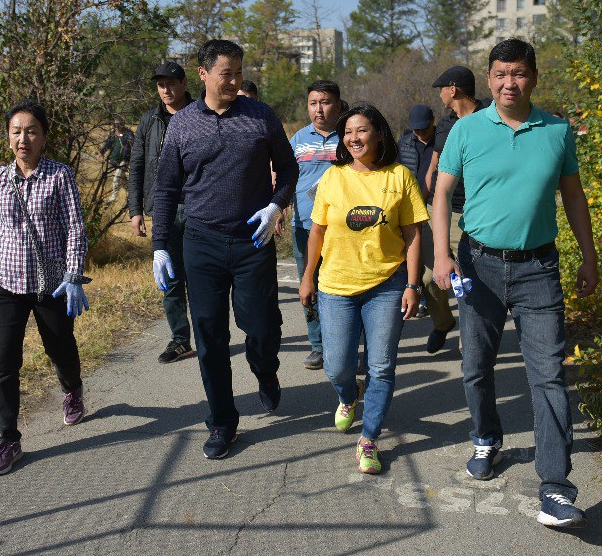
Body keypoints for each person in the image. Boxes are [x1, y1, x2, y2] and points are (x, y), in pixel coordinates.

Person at [431, 39, 598, 529]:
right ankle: (487, 439)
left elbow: (574, 197)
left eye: (519, 73)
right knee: (476, 367)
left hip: (539, 269)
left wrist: (589, 256)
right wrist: (441, 254)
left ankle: (556, 487)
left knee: (548, 375)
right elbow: (441, 193)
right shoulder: (465, 130)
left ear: (534, 78)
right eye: (501, 74)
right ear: (489, 79)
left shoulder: (557, 131)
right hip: (477, 266)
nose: (510, 83)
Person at [151, 39, 299, 460]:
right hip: (201, 243)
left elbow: (288, 167)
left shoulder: (260, 115)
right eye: (226, 74)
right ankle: (221, 421)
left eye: (238, 73)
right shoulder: (183, 125)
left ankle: (265, 370)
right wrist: (160, 245)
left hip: (252, 240)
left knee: (261, 326)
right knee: (210, 336)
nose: (234, 81)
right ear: (203, 74)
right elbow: (166, 188)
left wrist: (275, 205)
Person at [299, 103, 426, 475]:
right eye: (348, 132)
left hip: (387, 284)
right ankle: (348, 393)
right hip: (336, 285)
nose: (354, 138)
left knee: (381, 367)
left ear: (379, 134)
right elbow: (317, 231)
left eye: (362, 130)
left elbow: (413, 234)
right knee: (337, 366)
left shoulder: (400, 176)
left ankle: (369, 439)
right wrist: (307, 276)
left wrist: (413, 284)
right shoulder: (333, 177)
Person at [0, 100, 91, 476]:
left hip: (48, 284)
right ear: (8, 138)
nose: (24, 139)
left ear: (44, 137)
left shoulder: (59, 175)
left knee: (60, 347)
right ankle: (8, 439)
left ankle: (72, 389)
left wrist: (73, 275)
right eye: (16, 132)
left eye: (31, 131)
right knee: (2, 363)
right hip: (3, 281)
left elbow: (75, 227)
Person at [128, 61, 196, 365]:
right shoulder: (149, 120)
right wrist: (136, 210)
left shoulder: (200, 113)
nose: (165, 90)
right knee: (170, 276)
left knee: (200, 276)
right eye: (160, 85)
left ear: (184, 84)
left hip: (197, 206)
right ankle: (180, 340)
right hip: (163, 208)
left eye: (171, 84)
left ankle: (208, 336)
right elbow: (137, 165)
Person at [423, 65, 486, 354]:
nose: (439, 96)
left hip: (472, 213)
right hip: (439, 210)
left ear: (453, 89)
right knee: (428, 278)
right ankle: (443, 323)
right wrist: (426, 198)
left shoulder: (489, 117)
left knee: (465, 280)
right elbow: (434, 165)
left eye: (442, 90)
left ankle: (468, 343)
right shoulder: (445, 124)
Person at [288, 79, 343, 370]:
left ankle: (347, 348)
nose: (318, 109)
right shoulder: (298, 139)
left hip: (342, 229)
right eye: (313, 103)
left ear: (338, 105)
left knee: (344, 290)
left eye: (325, 102)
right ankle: (318, 346)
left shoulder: (349, 136)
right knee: (309, 287)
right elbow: (285, 176)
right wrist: (279, 209)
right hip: (304, 226)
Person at [396, 104, 449, 326]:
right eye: (416, 129)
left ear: (432, 122)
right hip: (410, 208)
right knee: (416, 264)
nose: (420, 133)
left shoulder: (443, 141)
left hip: (435, 206)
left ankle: (441, 317)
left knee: (431, 271)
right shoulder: (405, 144)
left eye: (424, 129)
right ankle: (424, 300)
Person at [100, 117, 134, 200]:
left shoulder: (128, 133)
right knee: (123, 180)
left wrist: (131, 141)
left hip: (124, 160)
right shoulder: (113, 134)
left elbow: (133, 141)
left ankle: (113, 198)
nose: (117, 126)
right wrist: (101, 152)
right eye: (115, 124)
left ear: (123, 124)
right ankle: (130, 197)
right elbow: (107, 144)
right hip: (114, 161)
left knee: (116, 178)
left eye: (119, 124)